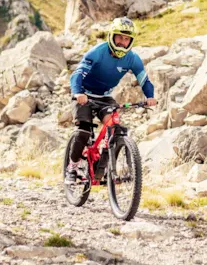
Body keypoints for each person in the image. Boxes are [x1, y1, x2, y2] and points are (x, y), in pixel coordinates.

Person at [67, 17, 156, 182]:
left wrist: (150, 96)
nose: (123, 42)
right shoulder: (97, 52)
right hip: (84, 95)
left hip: (105, 97)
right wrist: (78, 92)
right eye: (120, 37)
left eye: (127, 38)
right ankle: (72, 168)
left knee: (115, 128)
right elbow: (76, 75)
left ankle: (108, 167)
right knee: (84, 131)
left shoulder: (132, 59)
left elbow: (144, 80)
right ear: (112, 36)